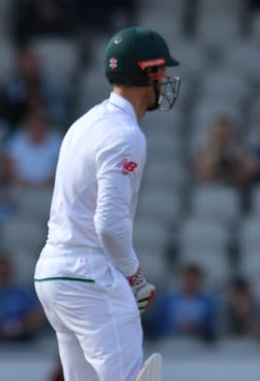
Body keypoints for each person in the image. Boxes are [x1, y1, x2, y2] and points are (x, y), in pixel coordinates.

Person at [34, 26, 181, 381]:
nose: (165, 80)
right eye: (161, 71)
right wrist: (136, 278)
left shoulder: (86, 123)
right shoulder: (125, 135)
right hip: (90, 277)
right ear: (147, 73)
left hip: (54, 274)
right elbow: (110, 224)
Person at [155, 263, 219, 343]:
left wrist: (197, 328)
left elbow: (212, 326)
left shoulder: (209, 302)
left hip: (199, 344)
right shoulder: (168, 300)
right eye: (188, 279)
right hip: (170, 342)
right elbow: (159, 324)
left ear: (200, 281)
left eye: (194, 280)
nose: (190, 283)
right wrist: (176, 327)